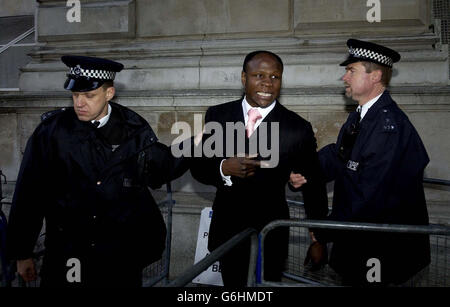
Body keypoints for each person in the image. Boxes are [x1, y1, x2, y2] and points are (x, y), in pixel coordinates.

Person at [6, 55, 189, 287]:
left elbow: (160, 168)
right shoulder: (51, 132)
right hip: (67, 254)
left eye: (89, 95)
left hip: (118, 257)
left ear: (109, 93)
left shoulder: (132, 128)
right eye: (75, 95)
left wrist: (199, 147)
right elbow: (29, 194)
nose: (79, 103)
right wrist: (22, 252)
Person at [290, 39, 431, 286]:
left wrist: (322, 230)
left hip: (383, 250)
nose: (344, 78)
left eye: (351, 70)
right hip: (361, 241)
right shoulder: (362, 115)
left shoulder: (388, 128)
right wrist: (306, 170)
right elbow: (340, 155)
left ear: (375, 76)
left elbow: (370, 196)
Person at [191, 50, 329, 286]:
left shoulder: (297, 127)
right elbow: (199, 167)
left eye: (275, 77)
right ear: (244, 78)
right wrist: (224, 167)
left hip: (271, 235)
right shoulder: (219, 114)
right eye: (259, 75)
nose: (267, 83)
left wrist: (318, 238)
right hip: (228, 232)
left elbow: (312, 185)